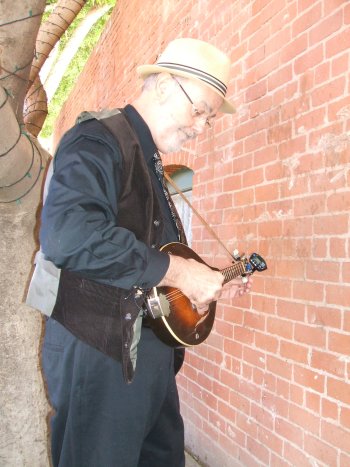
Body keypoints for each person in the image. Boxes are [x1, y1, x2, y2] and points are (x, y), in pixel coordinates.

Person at [39, 37, 253, 467]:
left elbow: (149, 262)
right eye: (200, 111)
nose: (200, 127)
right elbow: (68, 235)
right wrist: (177, 272)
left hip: (145, 356)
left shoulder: (153, 162)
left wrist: (197, 287)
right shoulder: (96, 140)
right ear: (163, 84)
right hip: (99, 351)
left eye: (209, 120)